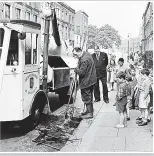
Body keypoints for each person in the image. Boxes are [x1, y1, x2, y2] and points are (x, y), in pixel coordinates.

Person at [73, 47, 97, 119]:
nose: (75, 56)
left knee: (87, 97)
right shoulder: (86, 54)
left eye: (75, 54)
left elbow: (81, 73)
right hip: (91, 79)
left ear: (79, 52)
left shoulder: (84, 59)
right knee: (89, 96)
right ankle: (88, 110)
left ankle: (90, 113)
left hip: (87, 81)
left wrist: (76, 69)